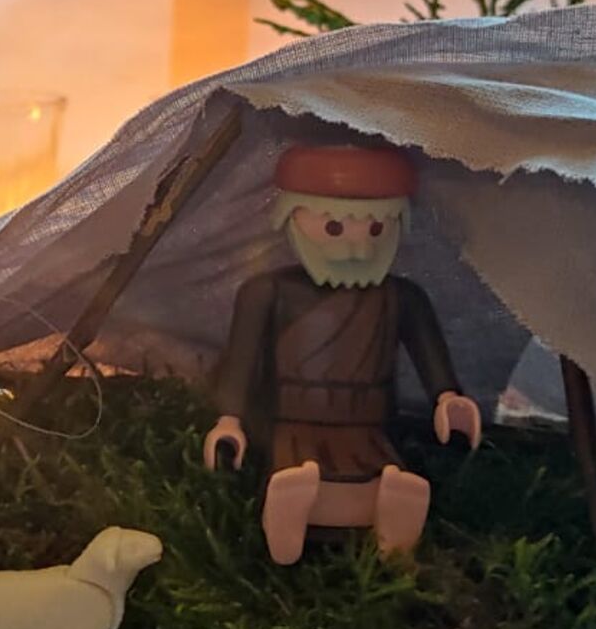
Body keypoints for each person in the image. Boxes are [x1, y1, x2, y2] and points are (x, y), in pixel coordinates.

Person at [204, 143, 480, 564]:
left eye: (376, 229)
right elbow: (241, 360)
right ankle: (289, 513)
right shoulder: (266, 291)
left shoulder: (402, 297)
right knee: (297, 467)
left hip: (367, 421)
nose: (359, 249)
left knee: (380, 468)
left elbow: (428, 352)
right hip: (293, 416)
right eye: (335, 228)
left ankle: (390, 514)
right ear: (291, 216)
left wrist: (447, 398)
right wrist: (229, 419)